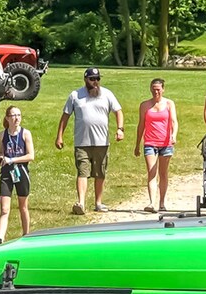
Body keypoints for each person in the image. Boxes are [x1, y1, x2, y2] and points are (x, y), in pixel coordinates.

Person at [55, 67, 122, 215]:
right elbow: (65, 116)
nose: (95, 82)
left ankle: (98, 203)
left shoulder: (107, 94)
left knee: (100, 173)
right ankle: (81, 203)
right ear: (85, 79)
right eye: (92, 79)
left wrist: (120, 129)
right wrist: (60, 135)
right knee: (82, 172)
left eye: (98, 79)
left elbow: (118, 111)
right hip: (82, 142)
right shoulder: (75, 95)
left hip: (102, 142)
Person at [137, 77, 177, 212]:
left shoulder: (169, 104)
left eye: (158, 90)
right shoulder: (145, 105)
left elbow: (174, 122)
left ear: (163, 90)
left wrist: (173, 135)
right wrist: (137, 144)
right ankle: (151, 203)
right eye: (153, 89)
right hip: (150, 143)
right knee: (151, 172)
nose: (156, 92)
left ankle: (162, 202)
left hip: (166, 143)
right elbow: (141, 125)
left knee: (163, 173)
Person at [0, 105, 33, 239]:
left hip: (21, 171)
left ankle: (26, 235)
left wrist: (12, 160)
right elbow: (1, 151)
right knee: (4, 208)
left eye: (19, 115)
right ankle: (0, 238)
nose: (17, 118)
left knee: (23, 207)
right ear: (7, 118)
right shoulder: (2, 135)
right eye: (13, 115)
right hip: (6, 173)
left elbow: (30, 156)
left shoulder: (25, 133)